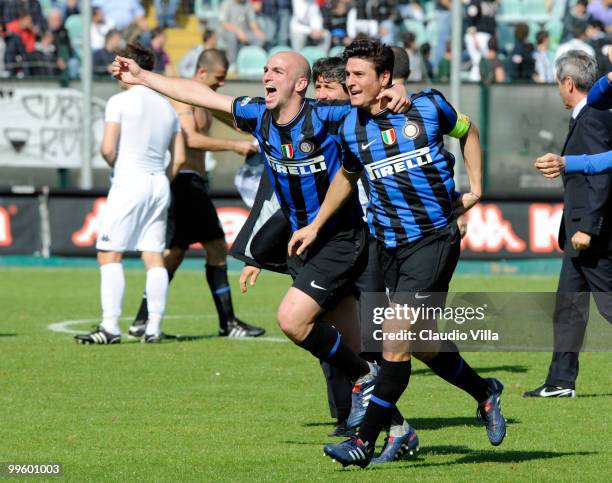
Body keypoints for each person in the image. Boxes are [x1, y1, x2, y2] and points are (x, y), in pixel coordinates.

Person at [111, 48, 411, 433]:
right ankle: (399, 426)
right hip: (302, 245)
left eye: (278, 70)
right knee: (354, 347)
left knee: (292, 320)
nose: (267, 75)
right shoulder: (258, 115)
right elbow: (200, 94)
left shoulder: (326, 115)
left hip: (340, 237)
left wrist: (400, 90)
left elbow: (374, 102)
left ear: (300, 84)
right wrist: (142, 76)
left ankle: (364, 383)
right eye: (266, 69)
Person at [288, 39, 506, 468]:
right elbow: (348, 176)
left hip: (434, 239)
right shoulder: (350, 126)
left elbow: (468, 132)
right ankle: (485, 394)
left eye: (357, 75)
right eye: (347, 75)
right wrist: (315, 225)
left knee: (394, 337)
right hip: (389, 246)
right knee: (421, 344)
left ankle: (363, 441)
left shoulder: (427, 107)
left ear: (384, 78)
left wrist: (477, 188)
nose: (349, 82)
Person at [129, 49, 265, 340]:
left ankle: (143, 320)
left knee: (175, 254)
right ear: (202, 73)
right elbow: (189, 138)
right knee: (216, 245)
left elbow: (237, 121)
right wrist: (235, 146)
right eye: (218, 78)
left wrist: (262, 130)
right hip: (184, 181)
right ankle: (228, 323)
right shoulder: (183, 97)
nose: (221, 85)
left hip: (193, 182)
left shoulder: (205, 99)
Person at [75, 42, 185, 345]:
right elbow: (179, 158)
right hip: (158, 183)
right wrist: (162, 178)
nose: (112, 68)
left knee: (109, 253)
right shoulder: (167, 105)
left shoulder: (119, 102)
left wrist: (118, 165)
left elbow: (108, 148)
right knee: (153, 257)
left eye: (117, 63)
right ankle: (154, 327)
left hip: (130, 179)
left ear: (130, 66)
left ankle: (110, 327)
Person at [525, 50, 612, 398]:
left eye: (558, 83)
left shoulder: (592, 116)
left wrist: (589, 227)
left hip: (590, 233)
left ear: (568, 82)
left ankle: (560, 379)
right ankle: (560, 381)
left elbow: (604, 178)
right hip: (579, 231)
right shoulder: (593, 113)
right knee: (568, 306)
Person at [219, 0, 266, 67]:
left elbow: (252, 21)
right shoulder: (226, 4)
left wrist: (257, 31)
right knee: (231, 36)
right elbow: (223, 23)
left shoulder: (247, 4)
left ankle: (251, 61)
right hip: (229, 31)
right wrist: (237, 31)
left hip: (245, 32)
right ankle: (232, 63)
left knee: (260, 38)